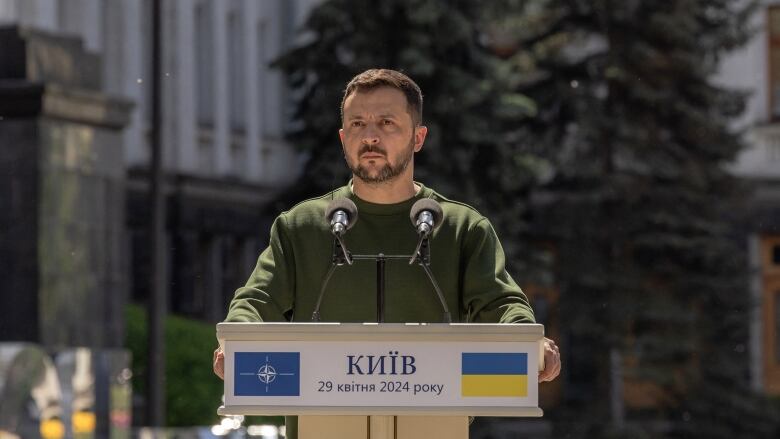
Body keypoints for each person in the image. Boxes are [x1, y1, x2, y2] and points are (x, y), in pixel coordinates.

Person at [213, 68, 561, 434]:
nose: (371, 136)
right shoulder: (301, 227)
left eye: (387, 123)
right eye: (358, 124)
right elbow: (254, 304)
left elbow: (503, 307)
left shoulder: (461, 228)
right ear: (343, 137)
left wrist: (531, 344)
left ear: (418, 137)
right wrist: (237, 345)